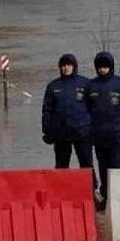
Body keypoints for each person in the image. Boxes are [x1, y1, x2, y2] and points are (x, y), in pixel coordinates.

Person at [86, 51, 120, 210]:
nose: (102, 70)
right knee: (103, 169)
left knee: (117, 169)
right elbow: (86, 110)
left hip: (118, 136)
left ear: (111, 67)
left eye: (105, 67)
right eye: (99, 67)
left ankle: (119, 201)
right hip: (99, 137)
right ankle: (106, 198)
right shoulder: (90, 86)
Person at [41, 54, 95, 185]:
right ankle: (61, 190)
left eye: (68, 65)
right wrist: (47, 131)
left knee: (86, 164)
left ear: (74, 66)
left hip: (82, 132)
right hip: (61, 133)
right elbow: (47, 110)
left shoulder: (85, 83)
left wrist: (93, 129)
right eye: (63, 65)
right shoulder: (53, 86)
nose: (66, 68)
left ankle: (91, 189)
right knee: (61, 165)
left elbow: (94, 108)